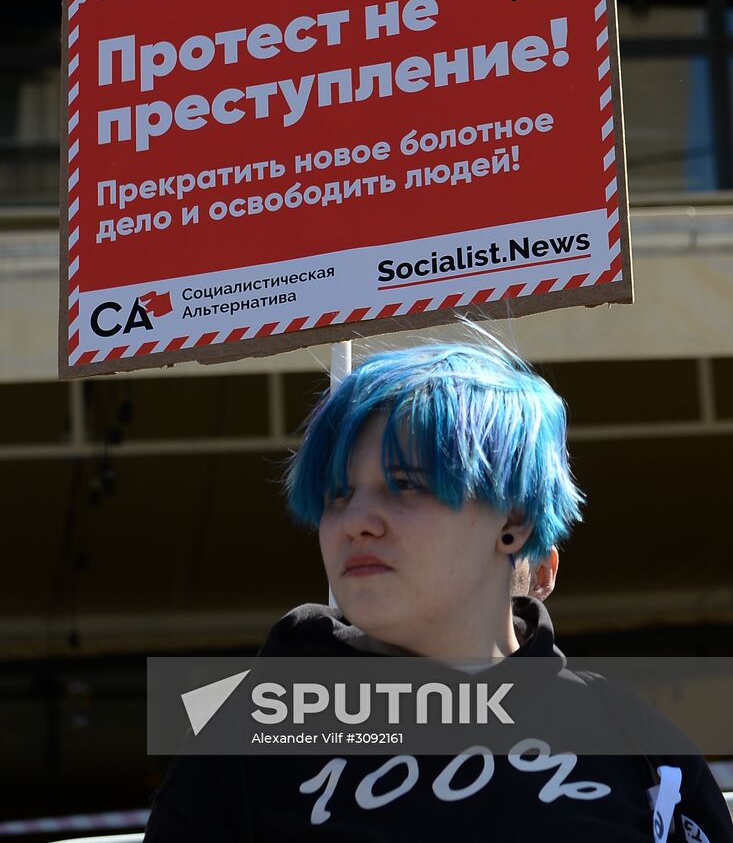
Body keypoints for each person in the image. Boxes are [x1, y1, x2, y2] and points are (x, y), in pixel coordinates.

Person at [145, 336, 732, 842]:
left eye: (404, 484)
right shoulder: (242, 740)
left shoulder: (638, 745)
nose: (356, 521)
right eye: (336, 494)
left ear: (512, 521)